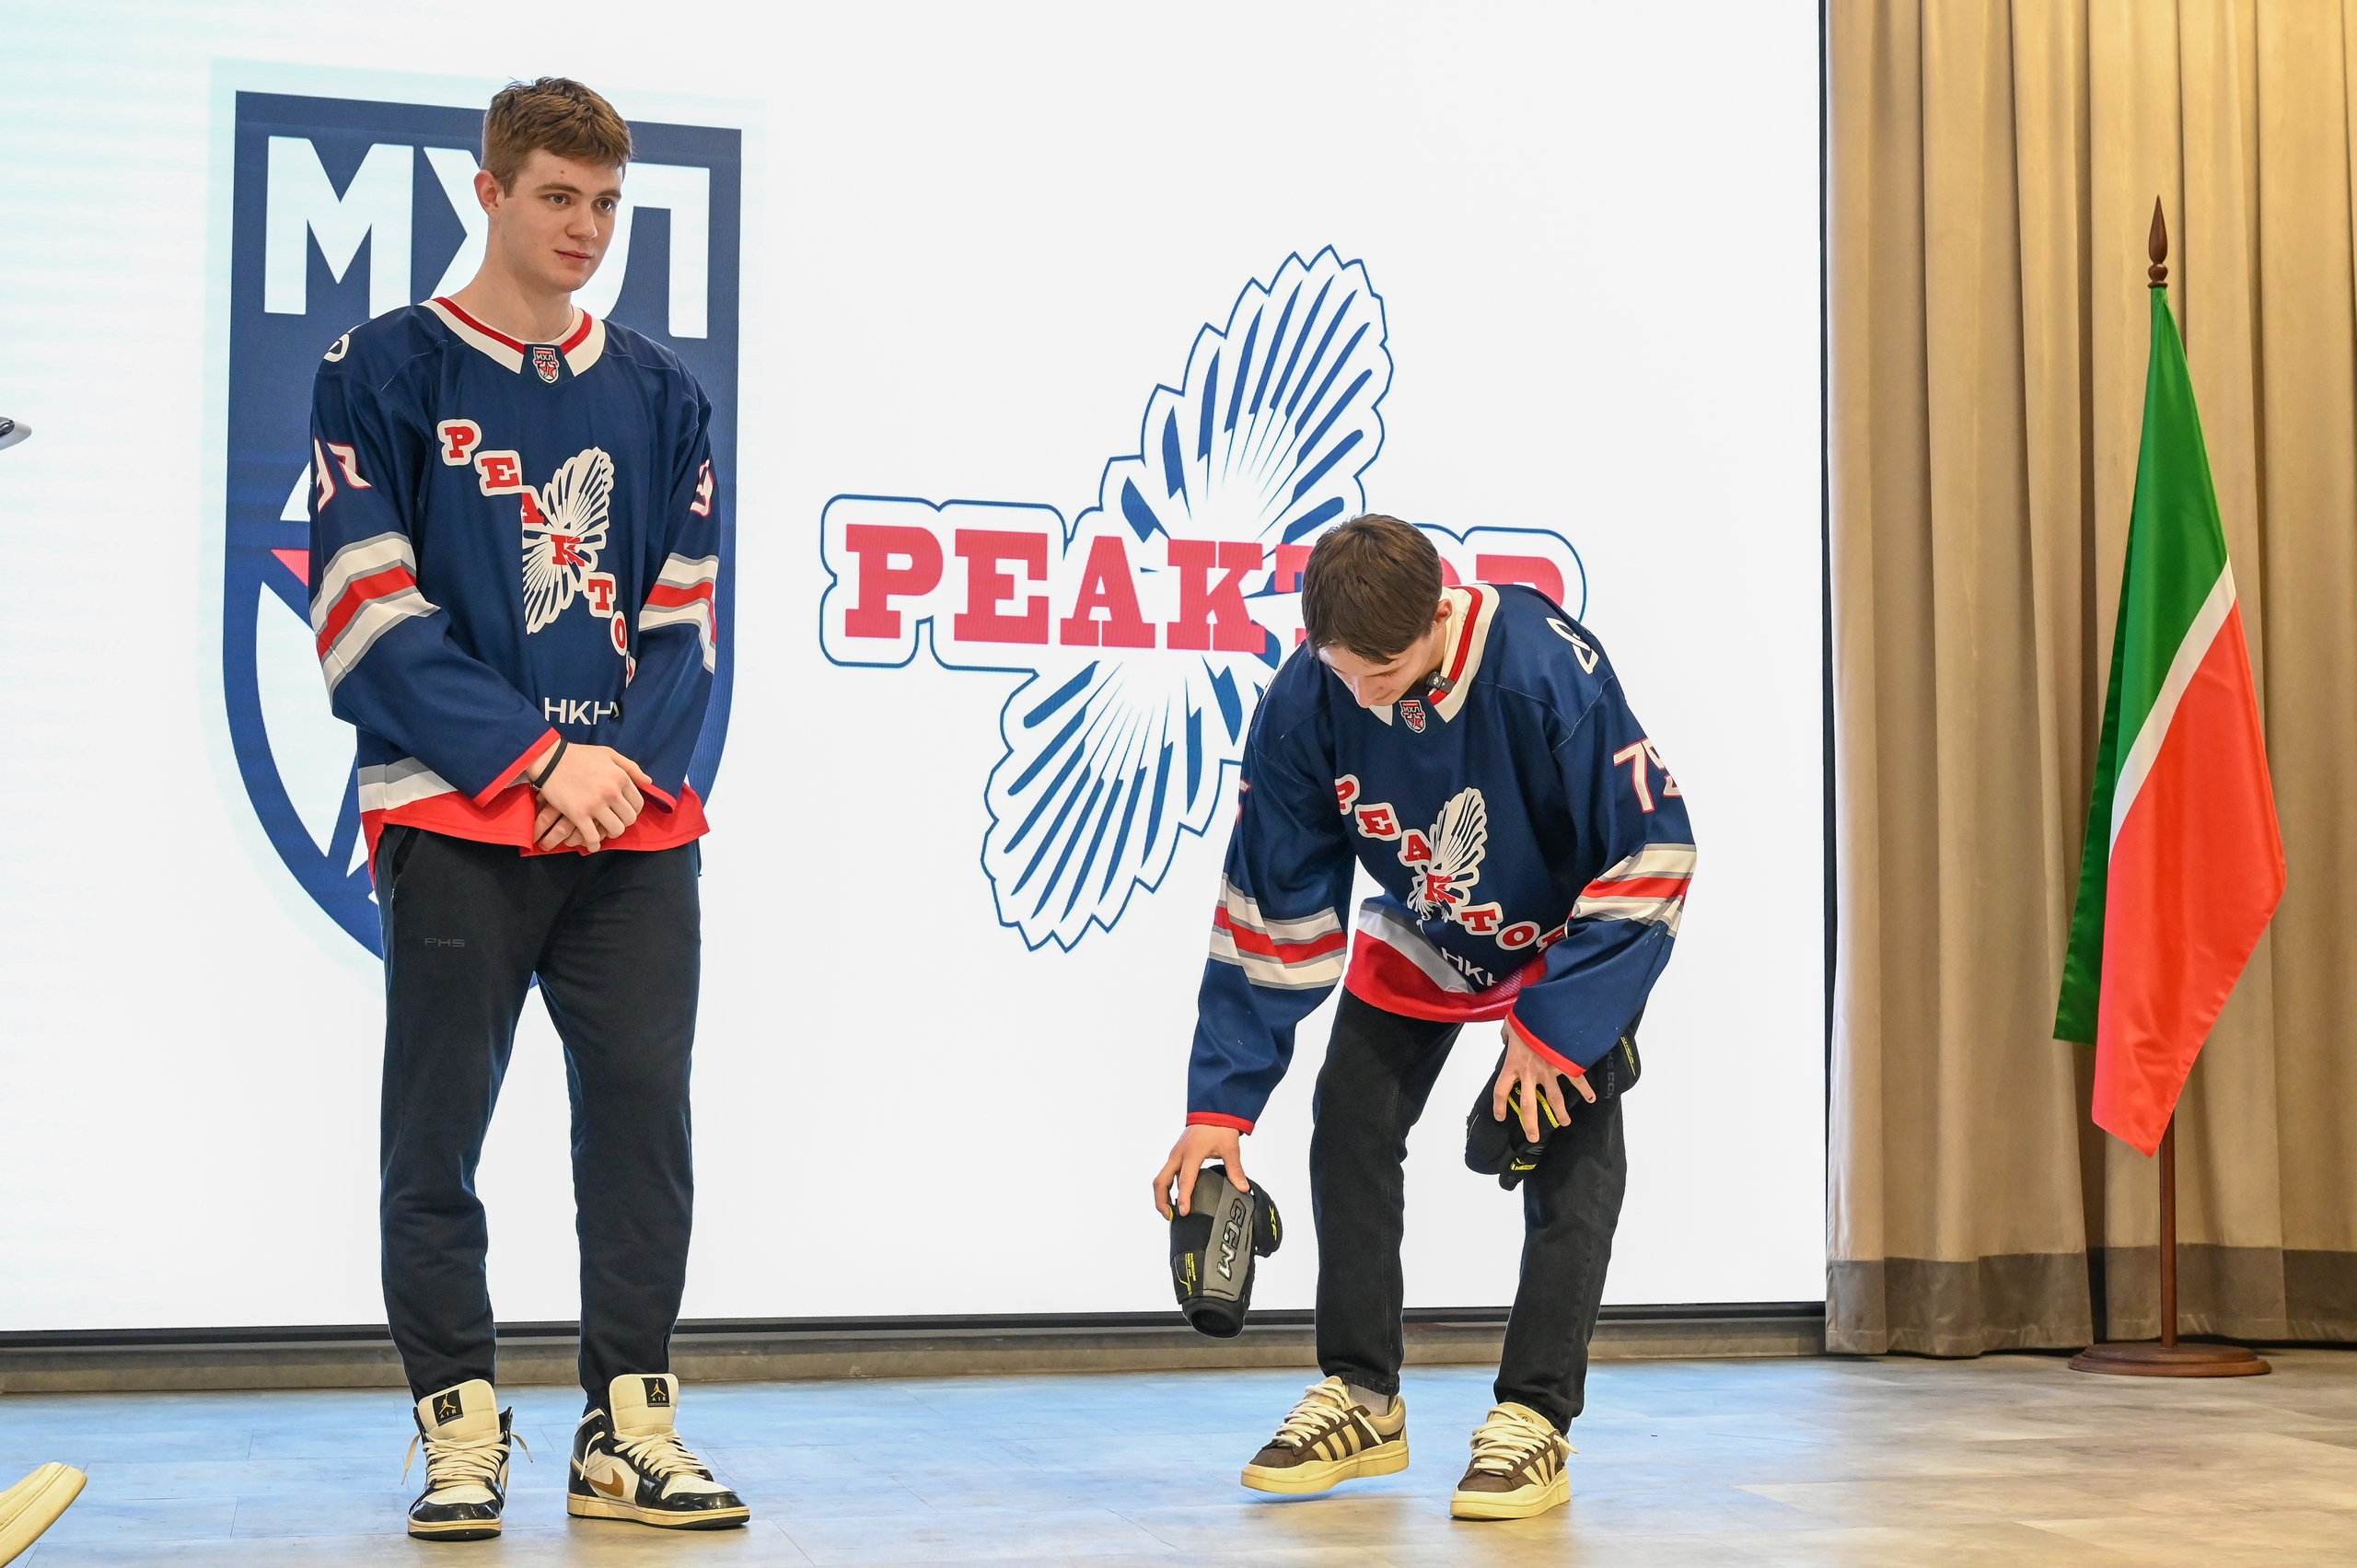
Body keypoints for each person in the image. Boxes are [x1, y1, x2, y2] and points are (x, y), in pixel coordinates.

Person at [307, 76, 744, 1539]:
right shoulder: (382, 367)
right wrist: (538, 762)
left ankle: (628, 1426)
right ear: (488, 191)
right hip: (455, 816)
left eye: (607, 202)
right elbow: (366, 607)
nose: (585, 227)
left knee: (642, 1129)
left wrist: (613, 775)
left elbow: (685, 625)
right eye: (558, 195)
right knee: (434, 1137)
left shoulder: (665, 394)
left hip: (632, 828)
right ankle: (459, 1426)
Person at [1152, 514, 1696, 1521]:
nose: (1363, 695)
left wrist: (1556, 1026)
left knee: (1570, 1143)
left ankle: (1535, 1416)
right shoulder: (1308, 699)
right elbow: (1270, 901)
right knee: (1349, 1118)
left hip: (1563, 939)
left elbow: (1654, 849)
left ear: (1440, 614)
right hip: (1426, 923)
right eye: (1342, 670)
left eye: (1385, 671)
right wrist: (1219, 1105)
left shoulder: (1544, 668)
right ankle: (1362, 1396)